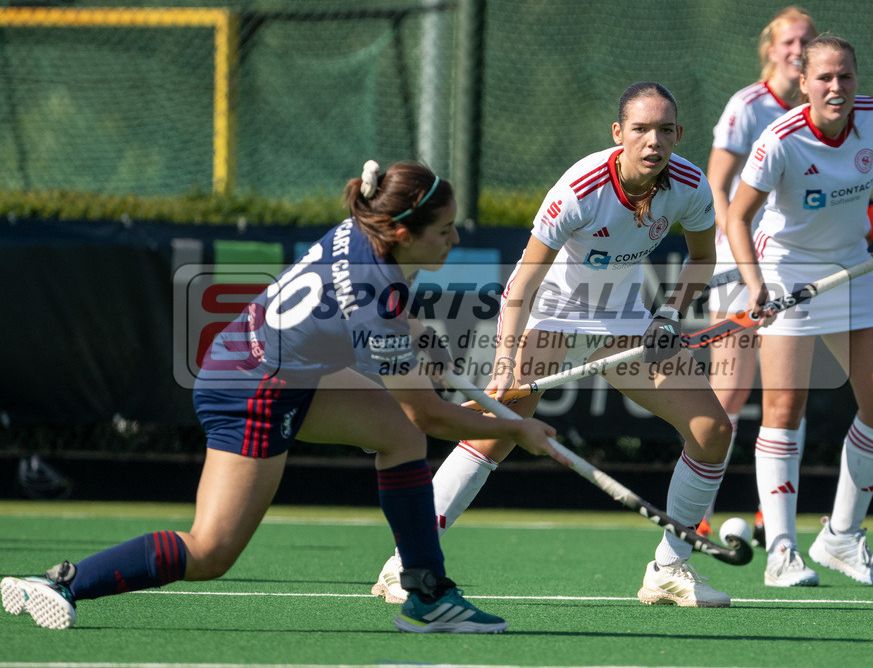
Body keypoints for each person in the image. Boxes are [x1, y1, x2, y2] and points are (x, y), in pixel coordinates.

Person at [1, 161, 557, 634]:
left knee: (398, 435)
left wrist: (419, 338)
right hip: (254, 391)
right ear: (402, 231)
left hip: (272, 366)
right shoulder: (376, 295)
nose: (455, 240)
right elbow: (431, 413)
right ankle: (64, 583)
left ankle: (427, 593)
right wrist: (516, 429)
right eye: (444, 231)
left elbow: (389, 341)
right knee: (211, 551)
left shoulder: (362, 233)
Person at [373, 82, 734, 608]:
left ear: (678, 134)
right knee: (496, 431)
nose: (652, 141)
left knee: (712, 430)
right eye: (640, 129)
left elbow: (702, 258)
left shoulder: (690, 185)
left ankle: (670, 568)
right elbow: (522, 284)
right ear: (619, 134)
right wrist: (503, 366)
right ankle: (404, 562)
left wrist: (669, 313)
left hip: (625, 318)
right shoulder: (582, 188)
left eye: (663, 130)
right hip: (552, 311)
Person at [725, 36, 873, 588]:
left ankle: (841, 536)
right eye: (825, 79)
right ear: (804, 83)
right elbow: (739, 217)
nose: (837, 88)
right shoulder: (780, 140)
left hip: (850, 268)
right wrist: (755, 284)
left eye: (846, 77)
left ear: (857, 79)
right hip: (786, 271)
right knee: (785, 408)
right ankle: (783, 553)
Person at [703, 6, 818, 544]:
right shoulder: (747, 106)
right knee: (727, 394)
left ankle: (771, 515)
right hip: (738, 264)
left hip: (793, 266)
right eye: (790, 42)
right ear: (771, 50)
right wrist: (738, 256)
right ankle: (693, 510)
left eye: (807, 42)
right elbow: (717, 185)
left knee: (786, 396)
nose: (798, 50)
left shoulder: (822, 112)